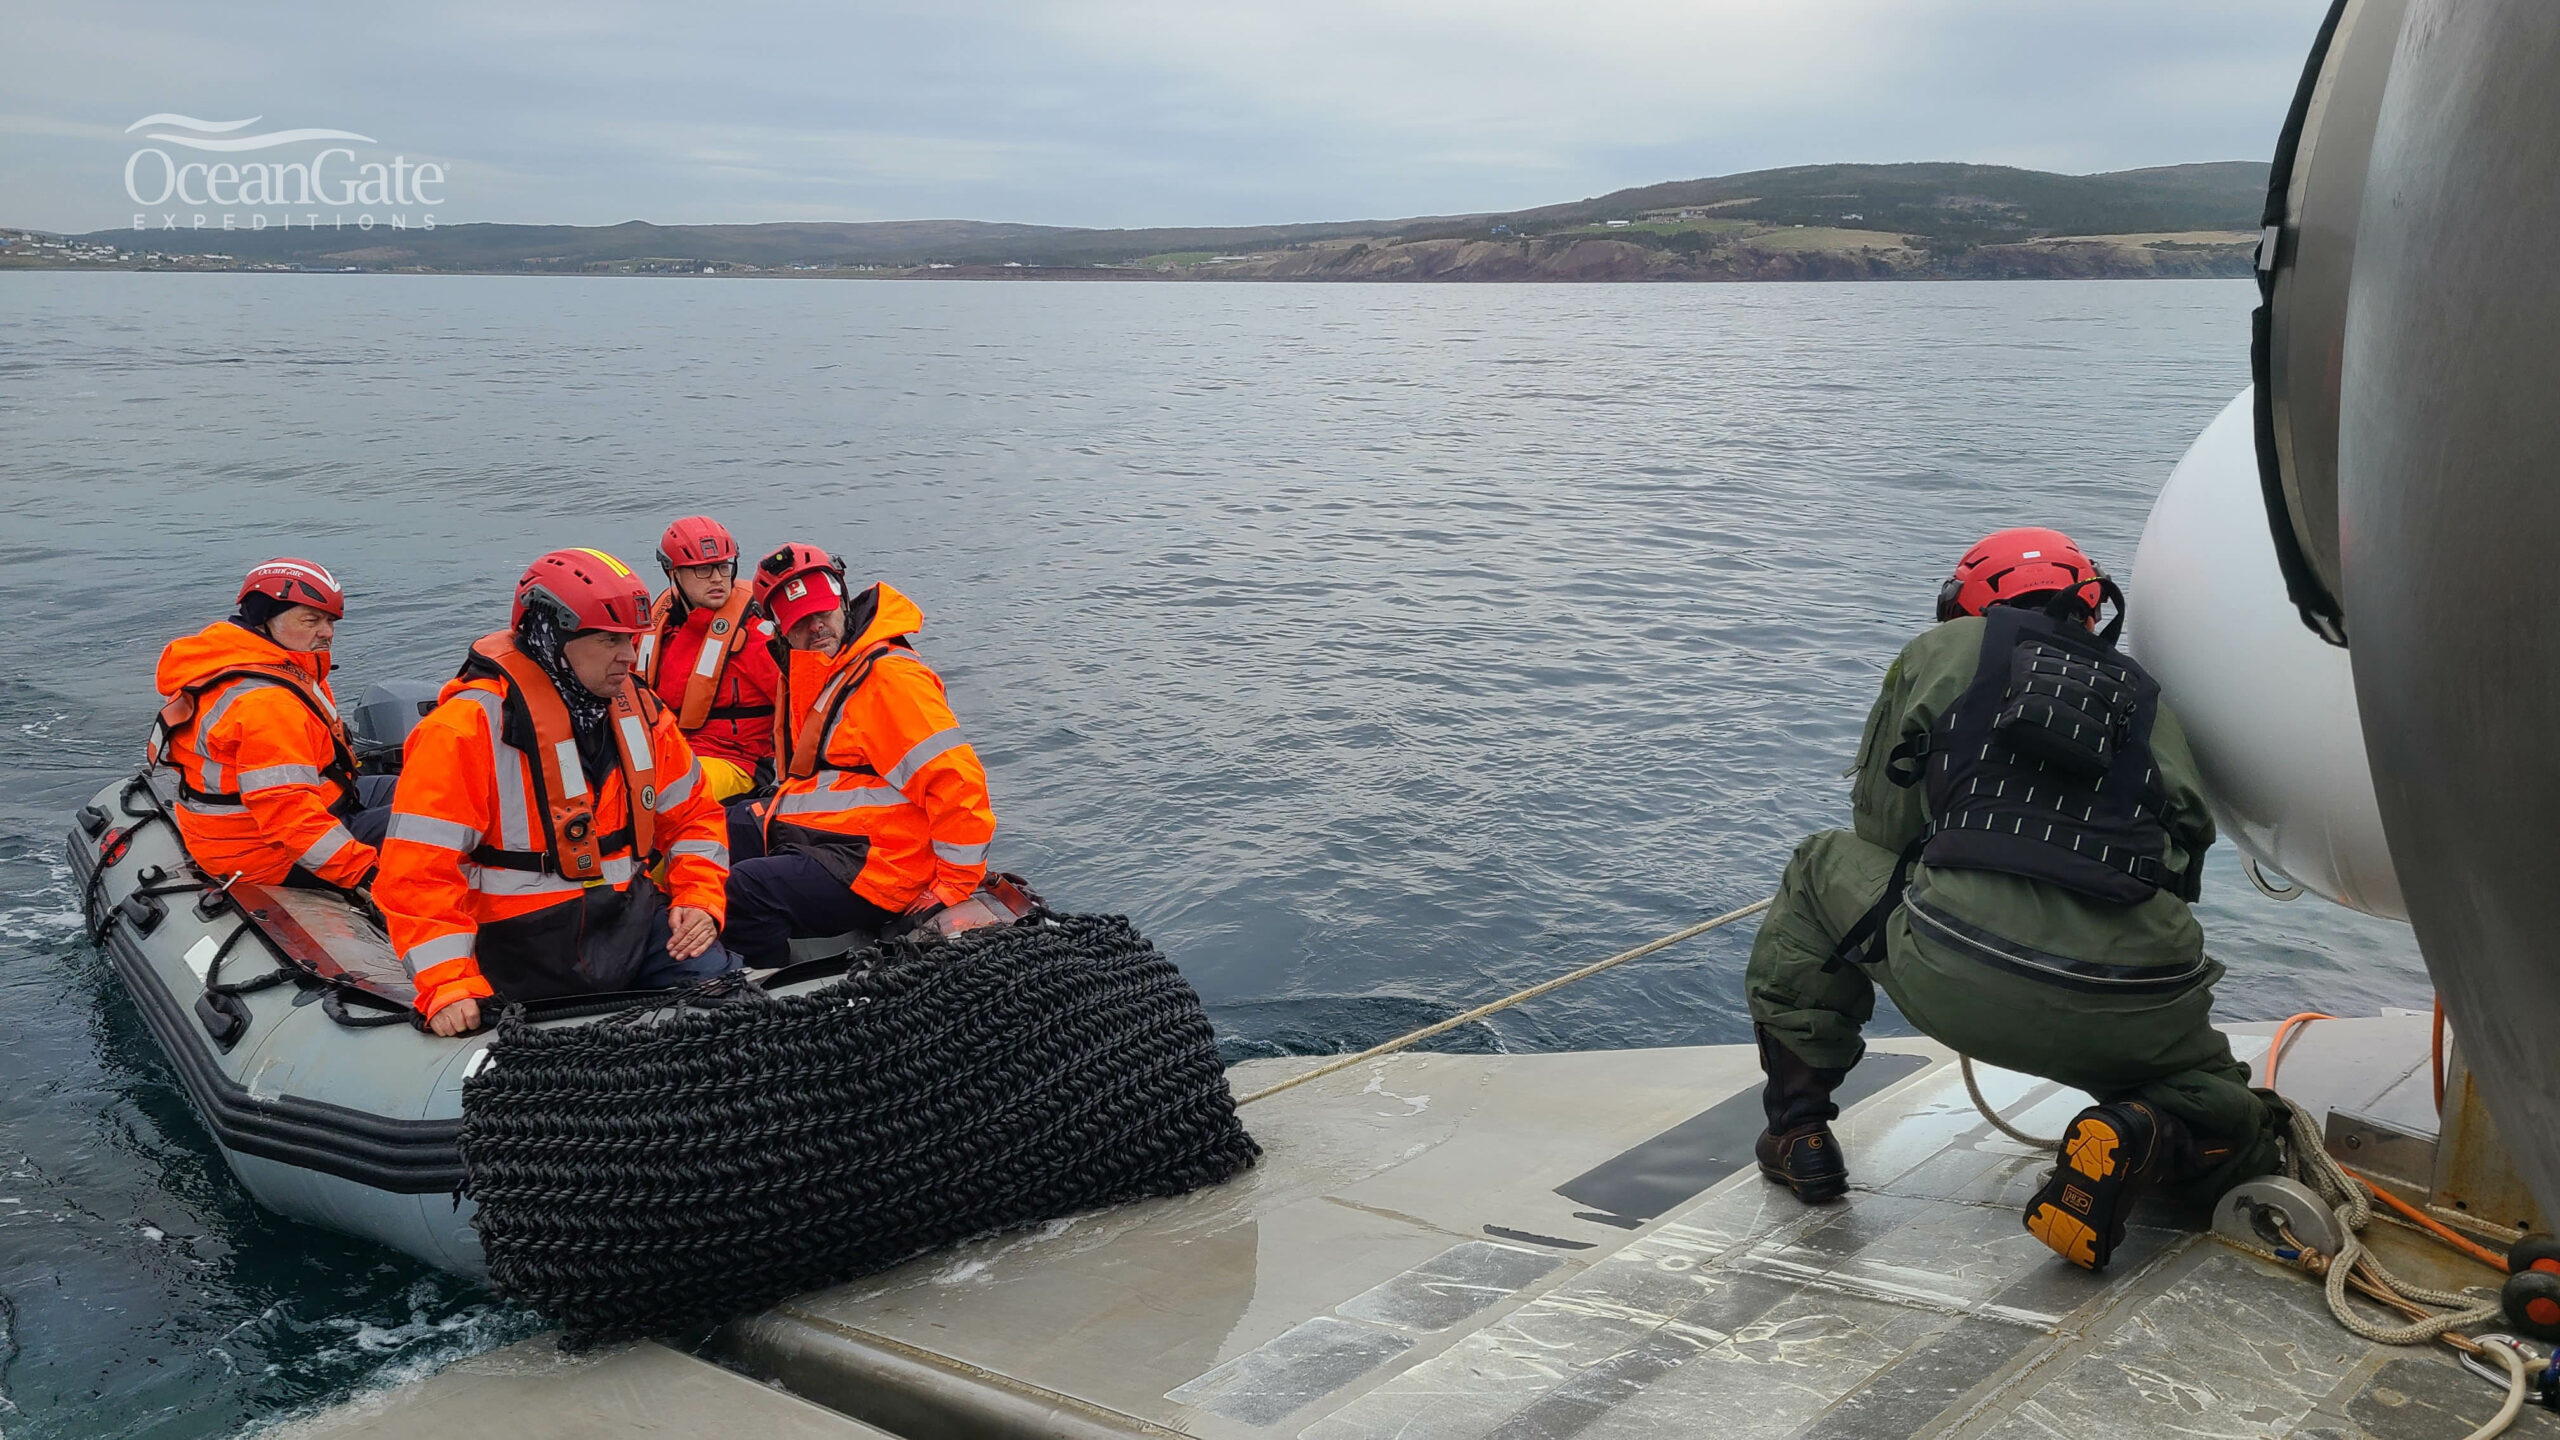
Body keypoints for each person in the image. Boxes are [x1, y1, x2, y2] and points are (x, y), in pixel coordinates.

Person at [1743, 527, 2284, 1271]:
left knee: (1818, 867)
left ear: (1962, 604)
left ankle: (1798, 1132)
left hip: (1961, 967)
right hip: (2136, 996)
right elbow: (2181, 865)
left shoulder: (1939, 655)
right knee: (2236, 1126)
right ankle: (2145, 1129)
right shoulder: (2146, 700)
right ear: (2094, 613)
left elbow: (1883, 827)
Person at [375, 548, 739, 1037]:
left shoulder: (643, 716)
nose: (630, 658)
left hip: (627, 922)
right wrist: (448, 983)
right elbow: (417, 875)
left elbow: (695, 818)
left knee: (730, 1008)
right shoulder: (464, 731)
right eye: (611, 641)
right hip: (517, 947)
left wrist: (698, 897)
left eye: (632, 641)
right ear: (555, 637)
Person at [717, 543, 997, 967]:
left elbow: (959, 783)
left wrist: (952, 887)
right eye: (800, 621)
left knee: (742, 890)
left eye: (822, 612)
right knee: (707, 834)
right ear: (780, 630)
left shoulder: (890, 681)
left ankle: (771, 995)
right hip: (842, 836)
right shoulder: (827, 667)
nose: (816, 627)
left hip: (885, 865)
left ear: (843, 602)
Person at [152, 558, 390, 891]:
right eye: (312, 620)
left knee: (417, 790)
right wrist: (368, 874)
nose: (327, 632)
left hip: (272, 814)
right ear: (265, 619)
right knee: (440, 825)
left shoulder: (233, 659)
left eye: (330, 621)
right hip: (265, 853)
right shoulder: (267, 704)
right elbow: (289, 819)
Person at [637, 516, 780, 804]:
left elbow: (803, 701)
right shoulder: (658, 625)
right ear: (672, 572)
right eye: (703, 569)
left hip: (736, 760)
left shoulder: (755, 632)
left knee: (664, 795)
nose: (717, 578)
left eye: (724, 567)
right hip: (666, 750)